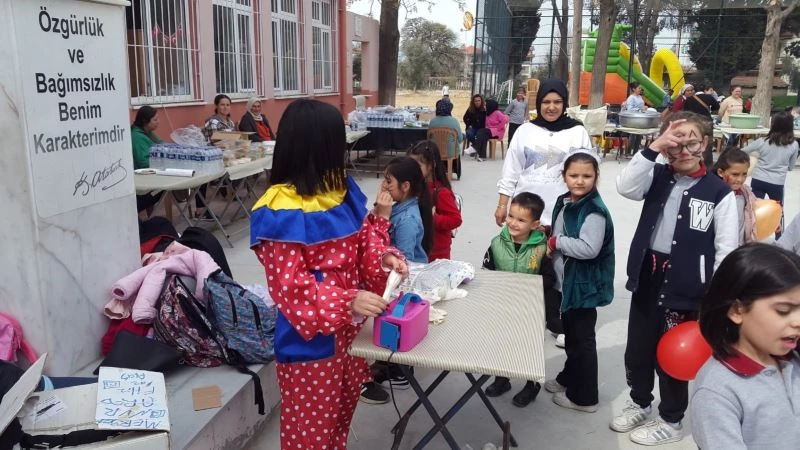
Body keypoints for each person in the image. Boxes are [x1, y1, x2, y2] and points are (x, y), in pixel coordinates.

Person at [249, 99, 407, 449]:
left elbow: (362, 241)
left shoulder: (340, 190)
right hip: (311, 344)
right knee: (311, 436)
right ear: (319, 147)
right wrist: (349, 300)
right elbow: (291, 288)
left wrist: (384, 258)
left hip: (350, 334)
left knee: (339, 422)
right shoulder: (279, 209)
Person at [613, 111, 738, 446]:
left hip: (687, 288)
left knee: (672, 354)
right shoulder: (657, 176)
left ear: (705, 144)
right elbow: (625, 186)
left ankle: (671, 418)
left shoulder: (718, 193)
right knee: (638, 350)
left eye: (691, 142)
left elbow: (726, 249)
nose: (683, 151)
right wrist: (654, 147)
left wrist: (716, 296)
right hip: (648, 277)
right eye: (674, 143)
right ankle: (640, 401)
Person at [692, 243, 800, 449]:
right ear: (736, 310)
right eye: (784, 311)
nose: (798, 321)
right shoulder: (717, 391)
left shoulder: (793, 359)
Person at [544, 151, 615, 414]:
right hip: (569, 284)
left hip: (584, 287)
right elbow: (562, 229)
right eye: (573, 175)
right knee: (573, 337)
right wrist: (549, 233)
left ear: (596, 176)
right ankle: (568, 377)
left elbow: (589, 248)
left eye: (587, 175)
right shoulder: (566, 201)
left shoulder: (593, 210)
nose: (580, 181)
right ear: (564, 176)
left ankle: (585, 398)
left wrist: (556, 242)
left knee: (581, 342)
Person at [481, 192, 557, 406]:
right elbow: (486, 271)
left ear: (535, 224)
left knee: (528, 348)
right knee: (502, 342)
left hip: (530, 308)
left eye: (521, 220)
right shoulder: (496, 243)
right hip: (502, 306)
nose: (513, 223)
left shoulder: (541, 249)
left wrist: (527, 286)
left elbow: (549, 278)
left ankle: (531, 384)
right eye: (511, 216)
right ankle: (502, 378)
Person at [495, 79, 592, 228]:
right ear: (539, 102)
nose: (551, 107)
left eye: (557, 102)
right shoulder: (524, 131)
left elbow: (588, 176)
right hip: (525, 214)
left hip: (563, 215)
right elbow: (511, 171)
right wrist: (502, 205)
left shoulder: (578, 132)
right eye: (546, 102)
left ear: (564, 103)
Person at [743, 111, 798, 239]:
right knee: (778, 211)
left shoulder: (762, 141)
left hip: (758, 180)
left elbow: (743, 151)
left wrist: (755, 157)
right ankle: (780, 238)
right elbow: (790, 167)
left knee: (754, 210)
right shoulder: (794, 145)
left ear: (773, 124)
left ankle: (751, 236)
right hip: (777, 183)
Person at [407, 141, 462, 261]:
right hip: (418, 249)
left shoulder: (441, 193)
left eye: (418, 165)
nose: (413, 169)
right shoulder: (415, 187)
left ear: (431, 165)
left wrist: (433, 218)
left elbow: (456, 220)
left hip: (437, 255)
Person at [380, 156, 434, 263]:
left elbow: (403, 261)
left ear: (405, 186)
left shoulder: (407, 220)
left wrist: (382, 216)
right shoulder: (398, 207)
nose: (384, 186)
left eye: (388, 181)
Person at [713, 148, 758, 245]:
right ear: (720, 172)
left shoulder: (744, 192)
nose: (740, 179)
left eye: (744, 174)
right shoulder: (714, 195)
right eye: (735, 174)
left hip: (739, 245)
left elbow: (755, 206)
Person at [131, 106, 164, 213]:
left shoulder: (148, 132)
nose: (158, 122)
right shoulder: (137, 137)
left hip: (151, 175)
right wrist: (162, 161)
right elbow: (143, 163)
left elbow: (162, 145)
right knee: (167, 188)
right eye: (155, 120)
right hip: (142, 182)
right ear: (145, 121)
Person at [680, 82, 719, 166]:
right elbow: (717, 107)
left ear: (694, 91)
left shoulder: (688, 99)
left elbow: (685, 113)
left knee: (693, 143)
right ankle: (708, 166)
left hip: (694, 124)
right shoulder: (709, 97)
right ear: (704, 90)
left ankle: (695, 163)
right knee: (707, 145)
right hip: (707, 123)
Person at [428, 99, 464, 179]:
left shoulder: (432, 121)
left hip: (435, 151)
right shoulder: (454, 121)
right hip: (451, 152)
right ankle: (454, 171)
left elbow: (428, 139)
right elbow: (460, 139)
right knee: (455, 145)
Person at [463, 94, 491, 161]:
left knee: (481, 134)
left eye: (479, 100)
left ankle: (474, 148)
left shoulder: (485, 109)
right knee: (469, 133)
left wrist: (487, 111)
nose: (477, 102)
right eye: (476, 101)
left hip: (482, 129)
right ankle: (475, 147)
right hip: (473, 128)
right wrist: (468, 125)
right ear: (473, 102)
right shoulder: (470, 109)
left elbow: (490, 118)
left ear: (481, 101)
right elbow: (465, 118)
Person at [622, 82, 646, 157]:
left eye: (640, 88)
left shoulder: (640, 97)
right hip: (633, 119)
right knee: (633, 134)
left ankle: (635, 152)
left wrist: (643, 108)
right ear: (634, 89)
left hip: (640, 118)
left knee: (639, 135)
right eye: (639, 88)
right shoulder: (631, 98)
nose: (640, 89)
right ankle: (629, 151)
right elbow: (630, 109)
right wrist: (640, 109)